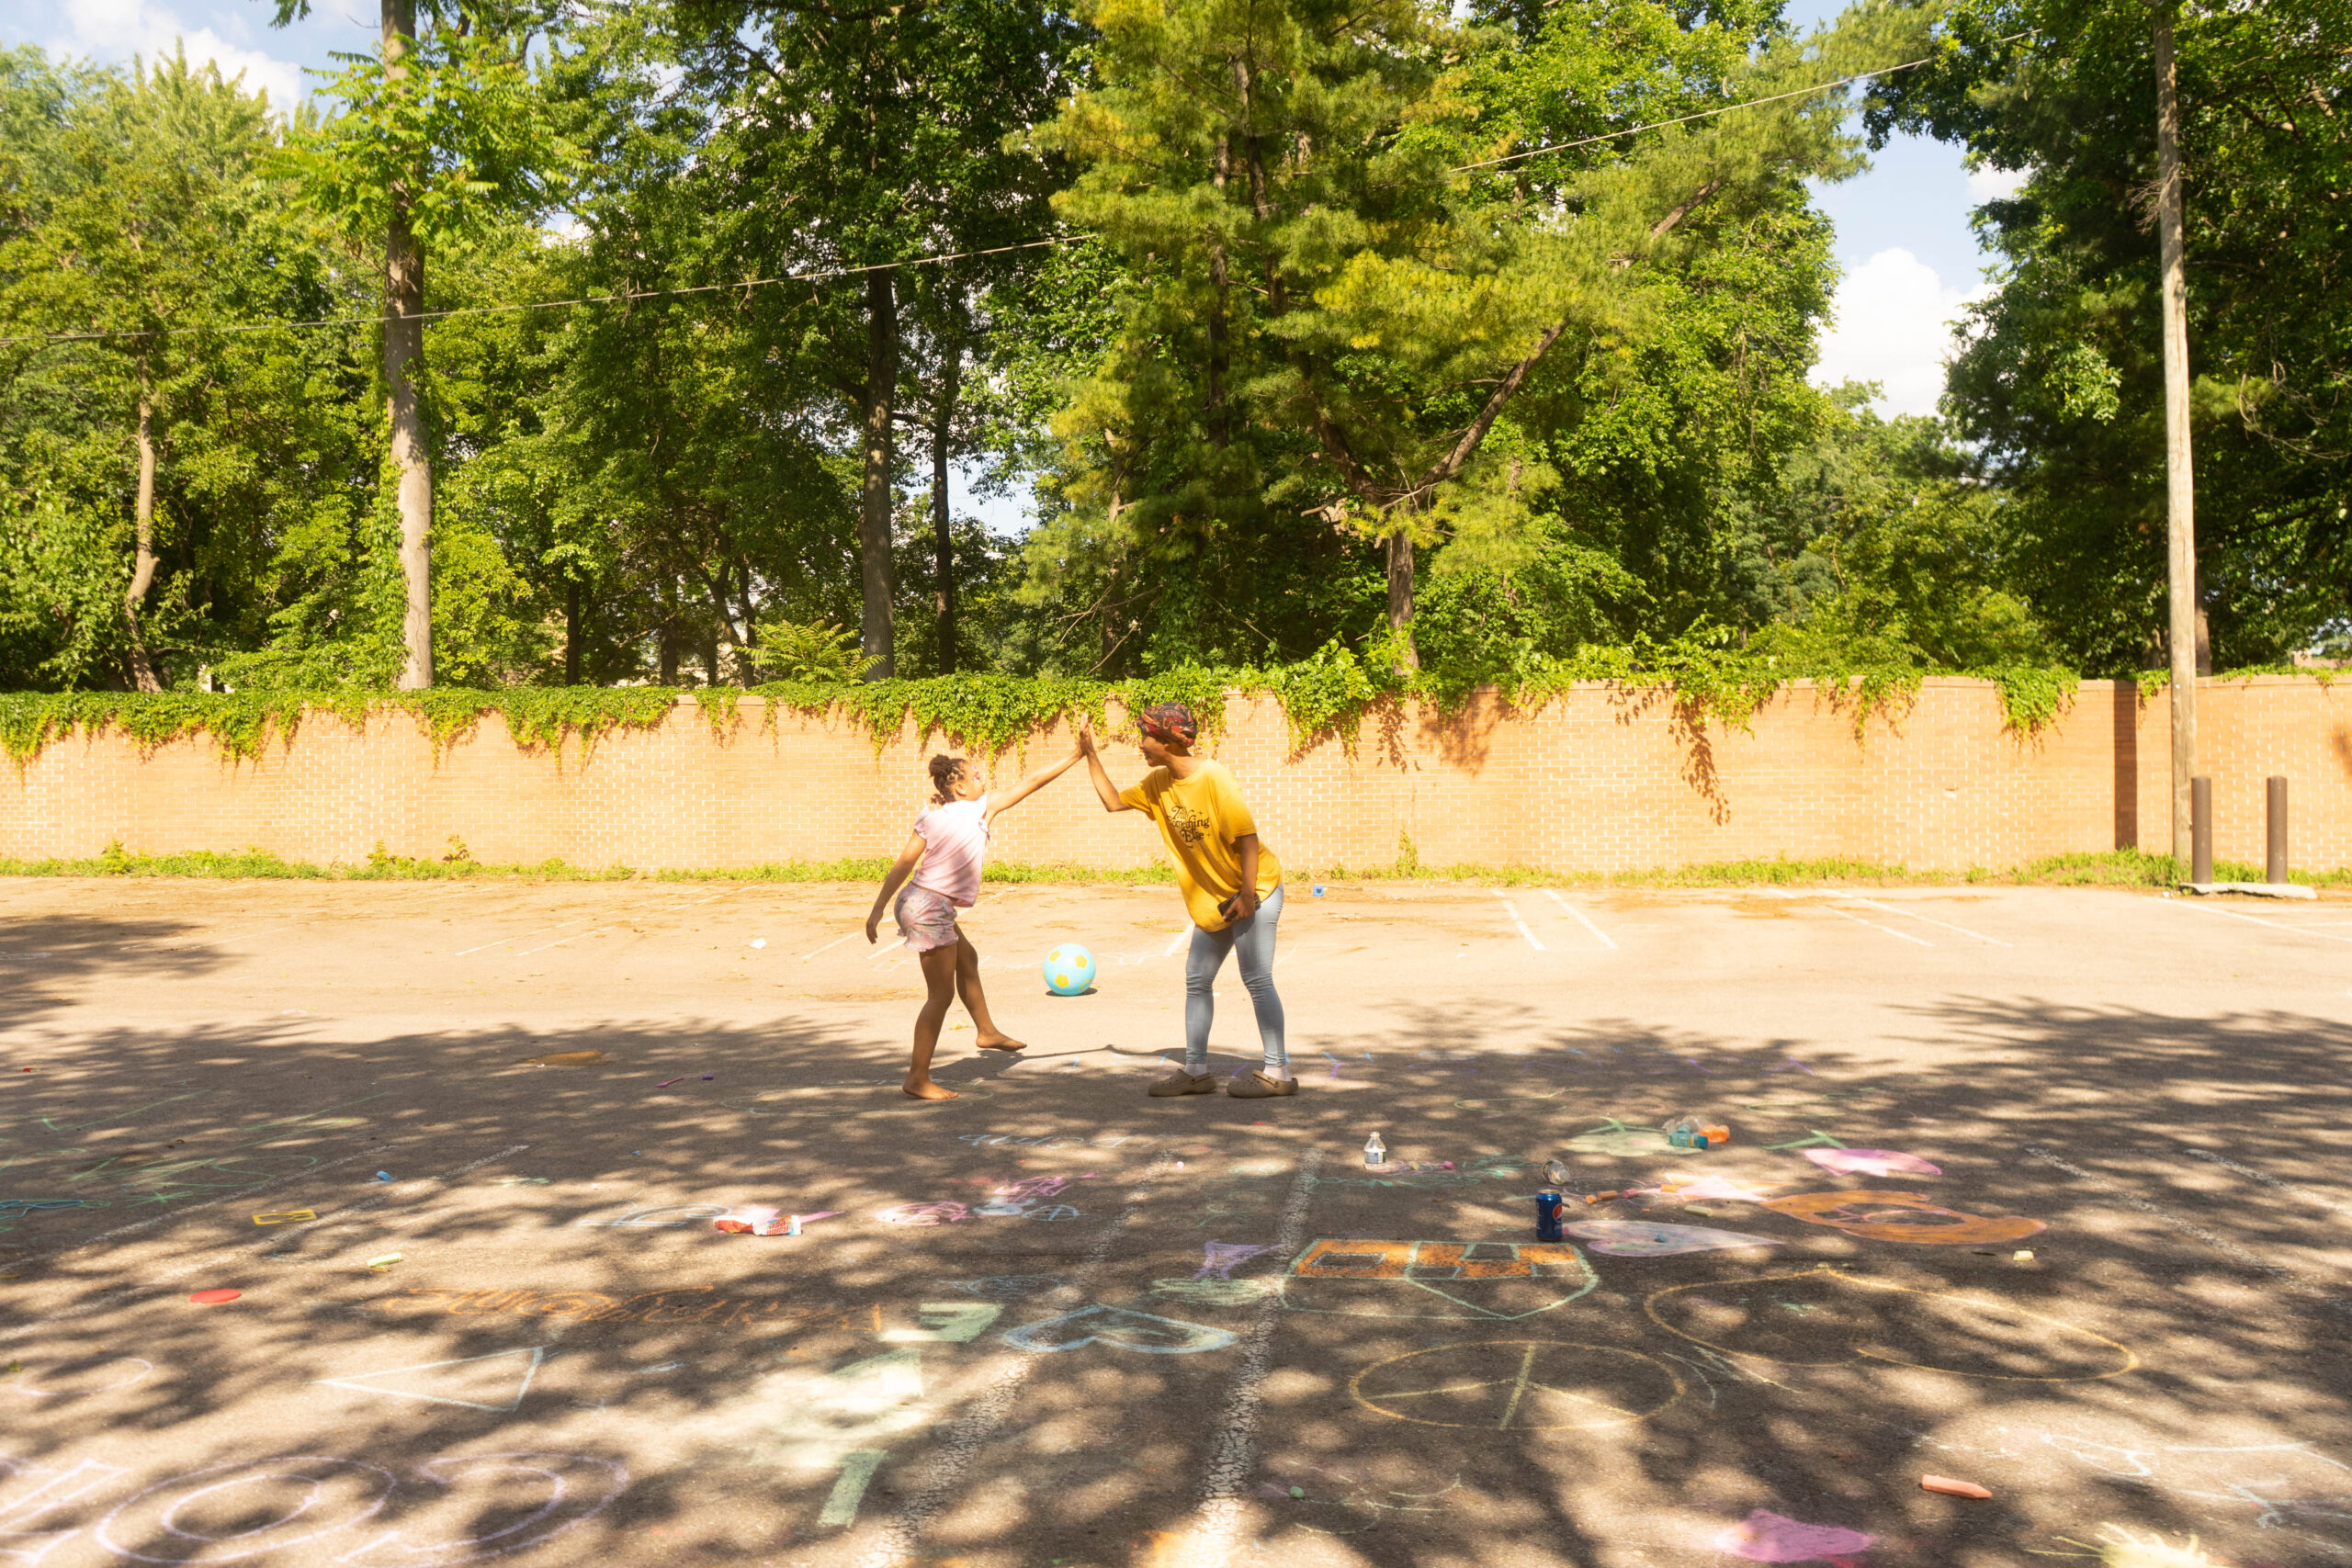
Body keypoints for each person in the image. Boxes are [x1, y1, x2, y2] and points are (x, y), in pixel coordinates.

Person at [1077, 705, 1295, 1098]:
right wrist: (1090, 753)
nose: (1140, 744)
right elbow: (1112, 802)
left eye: (1145, 737)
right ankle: (1196, 1071)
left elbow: (1247, 838)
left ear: (1167, 740)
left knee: (1257, 979)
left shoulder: (1213, 777)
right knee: (1197, 979)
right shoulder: (1158, 782)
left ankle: (1278, 1073)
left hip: (1254, 887)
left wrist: (1247, 895)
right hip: (1215, 898)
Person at [866, 745, 1082, 1100]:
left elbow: (904, 864)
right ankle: (917, 1078)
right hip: (929, 907)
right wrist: (1075, 754)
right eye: (977, 775)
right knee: (940, 995)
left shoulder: (933, 816)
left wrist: (879, 909)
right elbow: (1032, 781)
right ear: (961, 788)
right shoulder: (980, 807)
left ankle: (986, 1031)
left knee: (967, 958)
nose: (984, 778)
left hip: (918, 899)